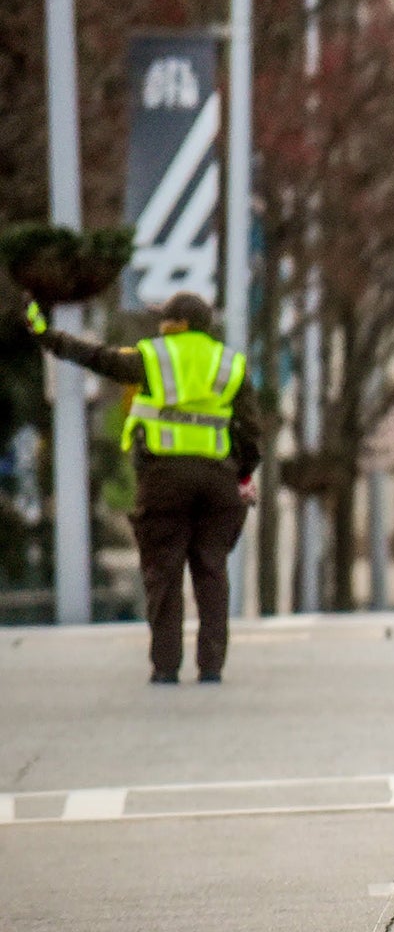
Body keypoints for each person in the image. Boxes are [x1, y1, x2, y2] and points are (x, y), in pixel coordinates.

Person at [23, 291, 264, 684]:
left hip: (164, 479)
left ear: (176, 325)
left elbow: (100, 358)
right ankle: (212, 667)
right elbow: (252, 432)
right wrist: (242, 474)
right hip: (217, 480)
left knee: (163, 572)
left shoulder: (154, 356)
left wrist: (50, 338)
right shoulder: (230, 364)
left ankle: (166, 667)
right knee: (212, 571)